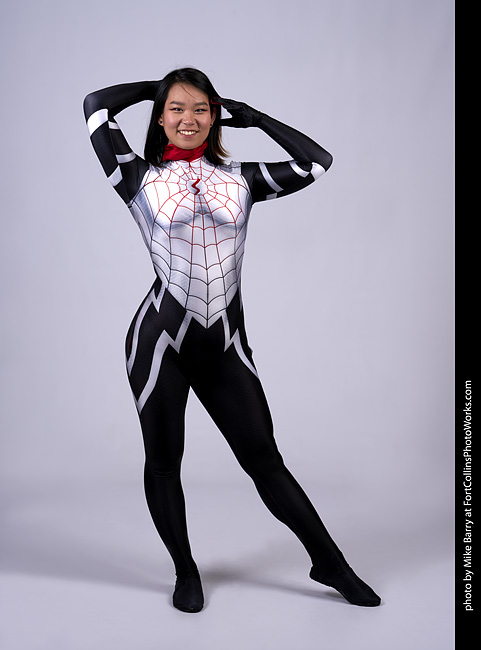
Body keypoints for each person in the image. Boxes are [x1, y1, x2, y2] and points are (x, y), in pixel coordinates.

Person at [83, 68, 381, 613]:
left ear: (216, 116)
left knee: (265, 460)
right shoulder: (136, 177)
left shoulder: (242, 179)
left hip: (224, 345)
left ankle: (330, 563)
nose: (189, 119)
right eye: (176, 109)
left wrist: (256, 117)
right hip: (160, 343)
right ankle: (185, 570)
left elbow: (316, 162)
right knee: (164, 462)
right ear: (159, 118)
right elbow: (96, 105)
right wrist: (160, 88)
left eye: (201, 109)